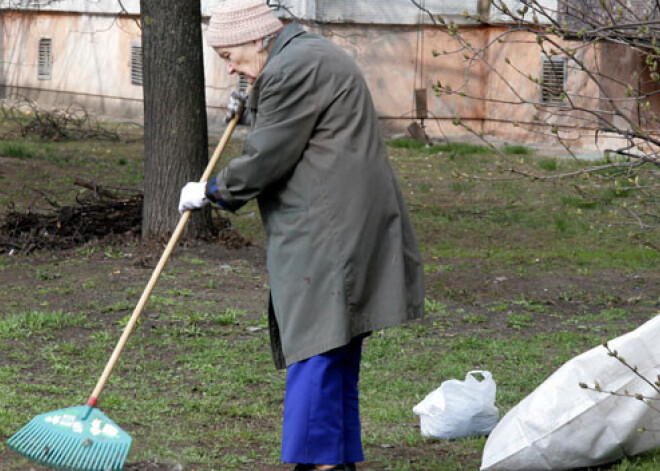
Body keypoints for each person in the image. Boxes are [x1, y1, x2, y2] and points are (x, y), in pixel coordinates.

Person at [178, 1, 424, 470]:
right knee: (336, 344)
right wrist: (251, 99)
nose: (230, 66)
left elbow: (268, 157)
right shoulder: (303, 53)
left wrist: (211, 191)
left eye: (230, 55)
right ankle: (337, 461)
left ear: (256, 39)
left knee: (315, 345)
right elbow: (294, 122)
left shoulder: (291, 70)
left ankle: (318, 463)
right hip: (346, 216)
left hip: (329, 226)